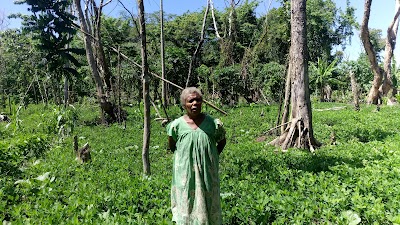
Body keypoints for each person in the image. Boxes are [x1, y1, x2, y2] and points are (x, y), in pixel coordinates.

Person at [166, 87, 226, 225]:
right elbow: (172, 146)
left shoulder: (212, 123)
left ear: (202, 102)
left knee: (208, 198)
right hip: (185, 173)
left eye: (198, 100)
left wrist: (211, 157)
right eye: (190, 100)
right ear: (184, 104)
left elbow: (221, 141)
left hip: (207, 172)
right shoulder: (176, 125)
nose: (194, 103)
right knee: (186, 200)